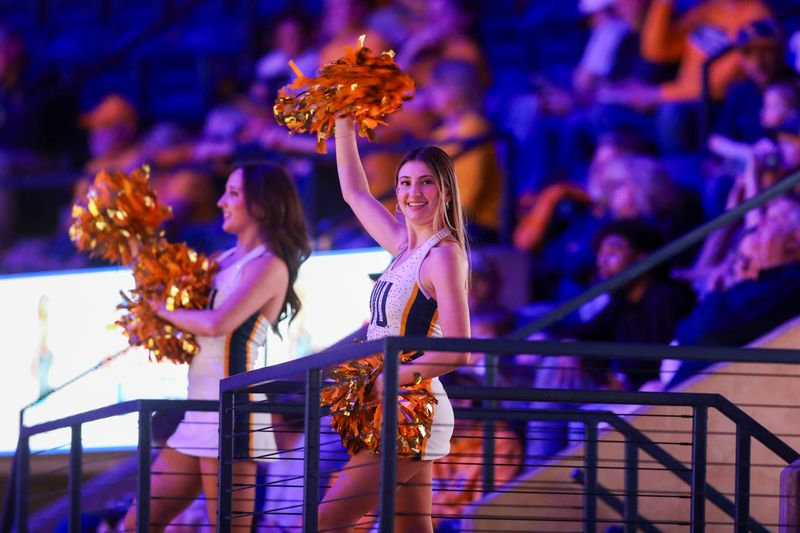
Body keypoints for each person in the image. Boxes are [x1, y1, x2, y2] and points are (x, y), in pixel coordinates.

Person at [120, 163, 311, 531]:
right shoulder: (222, 261)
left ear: (262, 204)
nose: (222, 201)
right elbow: (163, 286)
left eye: (233, 193)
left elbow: (216, 322)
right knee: (136, 524)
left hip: (234, 413)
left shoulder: (270, 265)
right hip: (198, 410)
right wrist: (133, 240)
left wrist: (163, 309)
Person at [317, 115, 471, 531]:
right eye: (404, 182)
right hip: (392, 405)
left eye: (425, 182)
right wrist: (343, 121)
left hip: (413, 407)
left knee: (327, 521)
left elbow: (460, 350)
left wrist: (393, 379)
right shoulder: (404, 247)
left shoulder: (443, 255)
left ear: (445, 191)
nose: (411, 192)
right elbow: (354, 192)